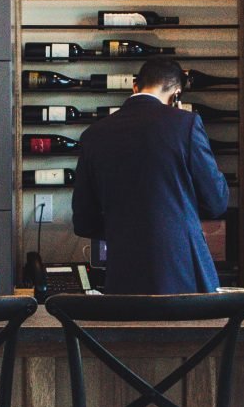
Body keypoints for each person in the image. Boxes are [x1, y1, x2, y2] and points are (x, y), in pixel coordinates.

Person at [71, 56, 229, 294]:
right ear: (176, 93)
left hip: (123, 270)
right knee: (193, 330)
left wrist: (124, 227)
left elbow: (84, 221)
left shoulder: (94, 134)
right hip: (182, 268)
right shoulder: (185, 125)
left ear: (135, 86)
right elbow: (216, 201)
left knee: (130, 330)